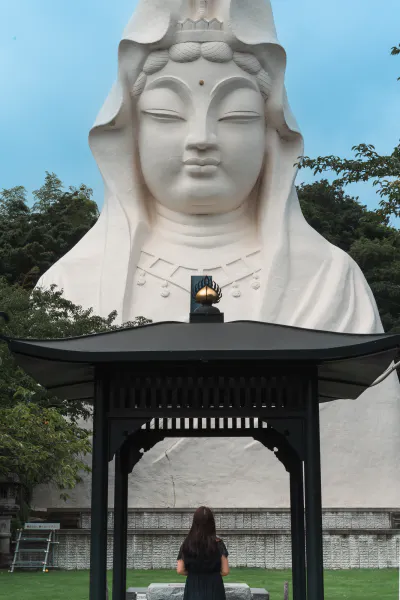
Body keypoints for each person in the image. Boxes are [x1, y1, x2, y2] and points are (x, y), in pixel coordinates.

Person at [177, 506, 230, 600]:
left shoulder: (187, 543)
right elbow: (225, 571)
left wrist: (194, 573)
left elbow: (180, 570)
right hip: (215, 588)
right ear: (212, 523)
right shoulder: (219, 544)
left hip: (193, 586)